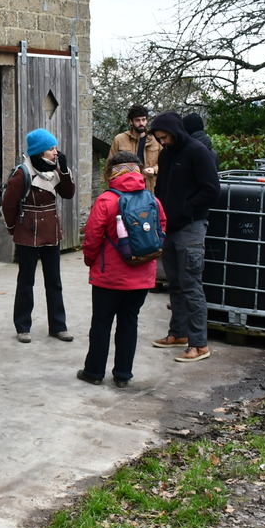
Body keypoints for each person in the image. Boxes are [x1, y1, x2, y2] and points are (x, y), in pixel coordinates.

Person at [76, 152, 167, 388]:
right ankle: (123, 375)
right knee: (129, 322)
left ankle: (94, 372)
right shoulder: (151, 199)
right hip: (142, 275)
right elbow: (162, 229)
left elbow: (92, 237)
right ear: (137, 171)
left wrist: (90, 261)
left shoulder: (106, 200)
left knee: (102, 323)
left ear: (112, 171)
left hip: (110, 276)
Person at [148, 111, 220, 363]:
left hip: (191, 227)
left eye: (165, 137)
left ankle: (199, 344)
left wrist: (185, 209)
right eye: (159, 139)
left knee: (191, 285)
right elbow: (161, 187)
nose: (162, 142)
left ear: (175, 131)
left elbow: (211, 190)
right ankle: (177, 333)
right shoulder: (167, 154)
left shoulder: (198, 151)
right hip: (169, 227)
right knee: (175, 283)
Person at [1, 127, 77, 344]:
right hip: (28, 233)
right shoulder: (22, 173)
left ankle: (58, 326)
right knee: (26, 281)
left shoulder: (55, 169)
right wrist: (14, 231)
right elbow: (8, 206)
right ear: (39, 151)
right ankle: (23, 327)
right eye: (51, 148)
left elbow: (68, 194)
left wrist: (63, 169)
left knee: (54, 281)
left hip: (51, 231)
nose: (55, 152)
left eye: (55, 147)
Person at [109, 105, 161, 192]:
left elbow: (165, 163)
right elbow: (110, 165)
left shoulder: (156, 139)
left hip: (151, 188)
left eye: (143, 120)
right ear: (131, 122)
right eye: (137, 120)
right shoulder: (120, 139)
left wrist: (154, 169)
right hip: (126, 188)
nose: (141, 123)